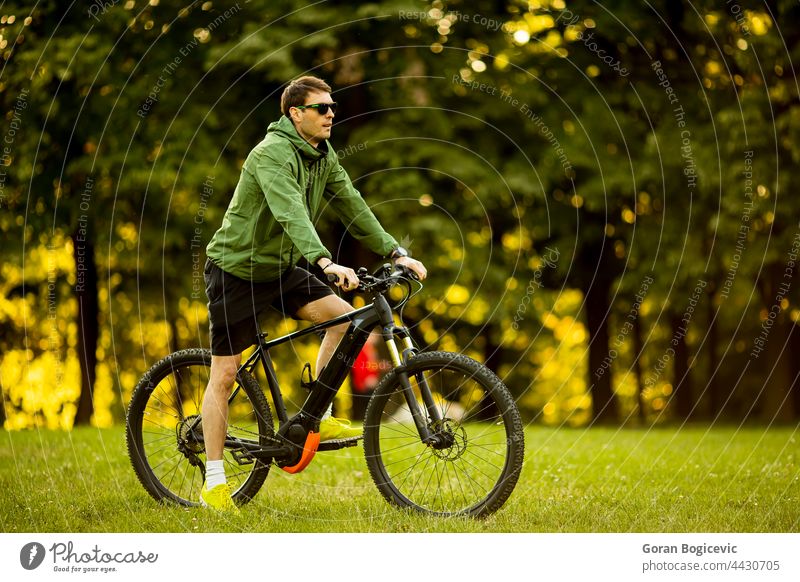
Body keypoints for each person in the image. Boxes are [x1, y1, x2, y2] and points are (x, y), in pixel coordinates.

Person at [200, 76, 426, 512]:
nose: (330, 114)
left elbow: (352, 203)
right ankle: (213, 481)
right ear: (295, 113)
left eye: (332, 107)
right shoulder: (270, 155)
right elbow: (289, 211)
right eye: (320, 108)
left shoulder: (323, 156)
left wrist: (396, 251)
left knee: (345, 320)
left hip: (282, 268)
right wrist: (324, 262)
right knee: (224, 376)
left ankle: (316, 417)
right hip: (236, 272)